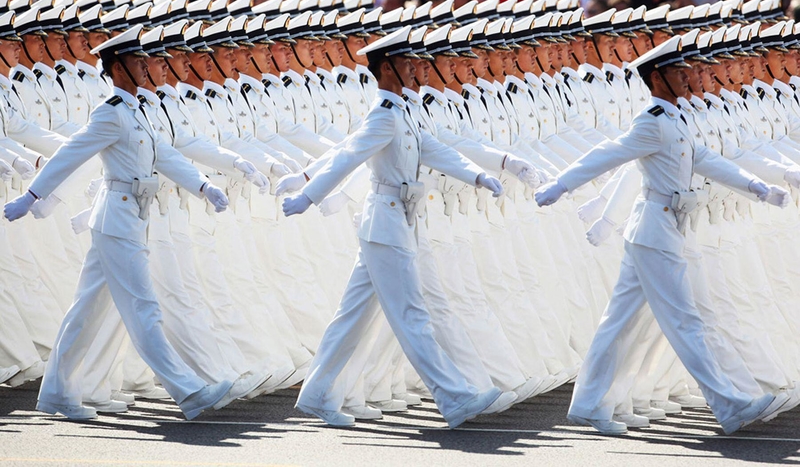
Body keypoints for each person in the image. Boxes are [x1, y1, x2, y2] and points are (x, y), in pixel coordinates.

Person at [534, 35, 795, 435]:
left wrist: (756, 187)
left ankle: (588, 404)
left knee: (618, 322)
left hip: (664, 228)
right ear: (658, 78)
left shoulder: (676, 117)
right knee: (685, 320)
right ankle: (731, 404)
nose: (690, 76)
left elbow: (706, 159)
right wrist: (561, 185)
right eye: (679, 72)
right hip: (655, 230)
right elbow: (609, 153)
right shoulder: (652, 121)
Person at [280, 25, 515, 428]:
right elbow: (348, 156)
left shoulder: (402, 110)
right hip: (386, 224)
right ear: (387, 67)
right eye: (406, 62)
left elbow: (432, 149)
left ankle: (317, 393)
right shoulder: (385, 114)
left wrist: (477, 174)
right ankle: (455, 397)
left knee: (351, 316)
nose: (415, 67)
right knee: (412, 314)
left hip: (396, 222)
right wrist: (308, 195)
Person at [2, 24, 239, 421]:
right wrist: (32, 196)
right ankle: (189, 389)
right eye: (135, 60)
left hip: (129, 217)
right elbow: (70, 154)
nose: (145, 66)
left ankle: (58, 393)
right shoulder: (110, 112)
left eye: (144, 59)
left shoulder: (135, 110)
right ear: (117, 68)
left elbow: (163, 155)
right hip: (117, 218)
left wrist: (203, 185)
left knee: (86, 311)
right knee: (144, 307)